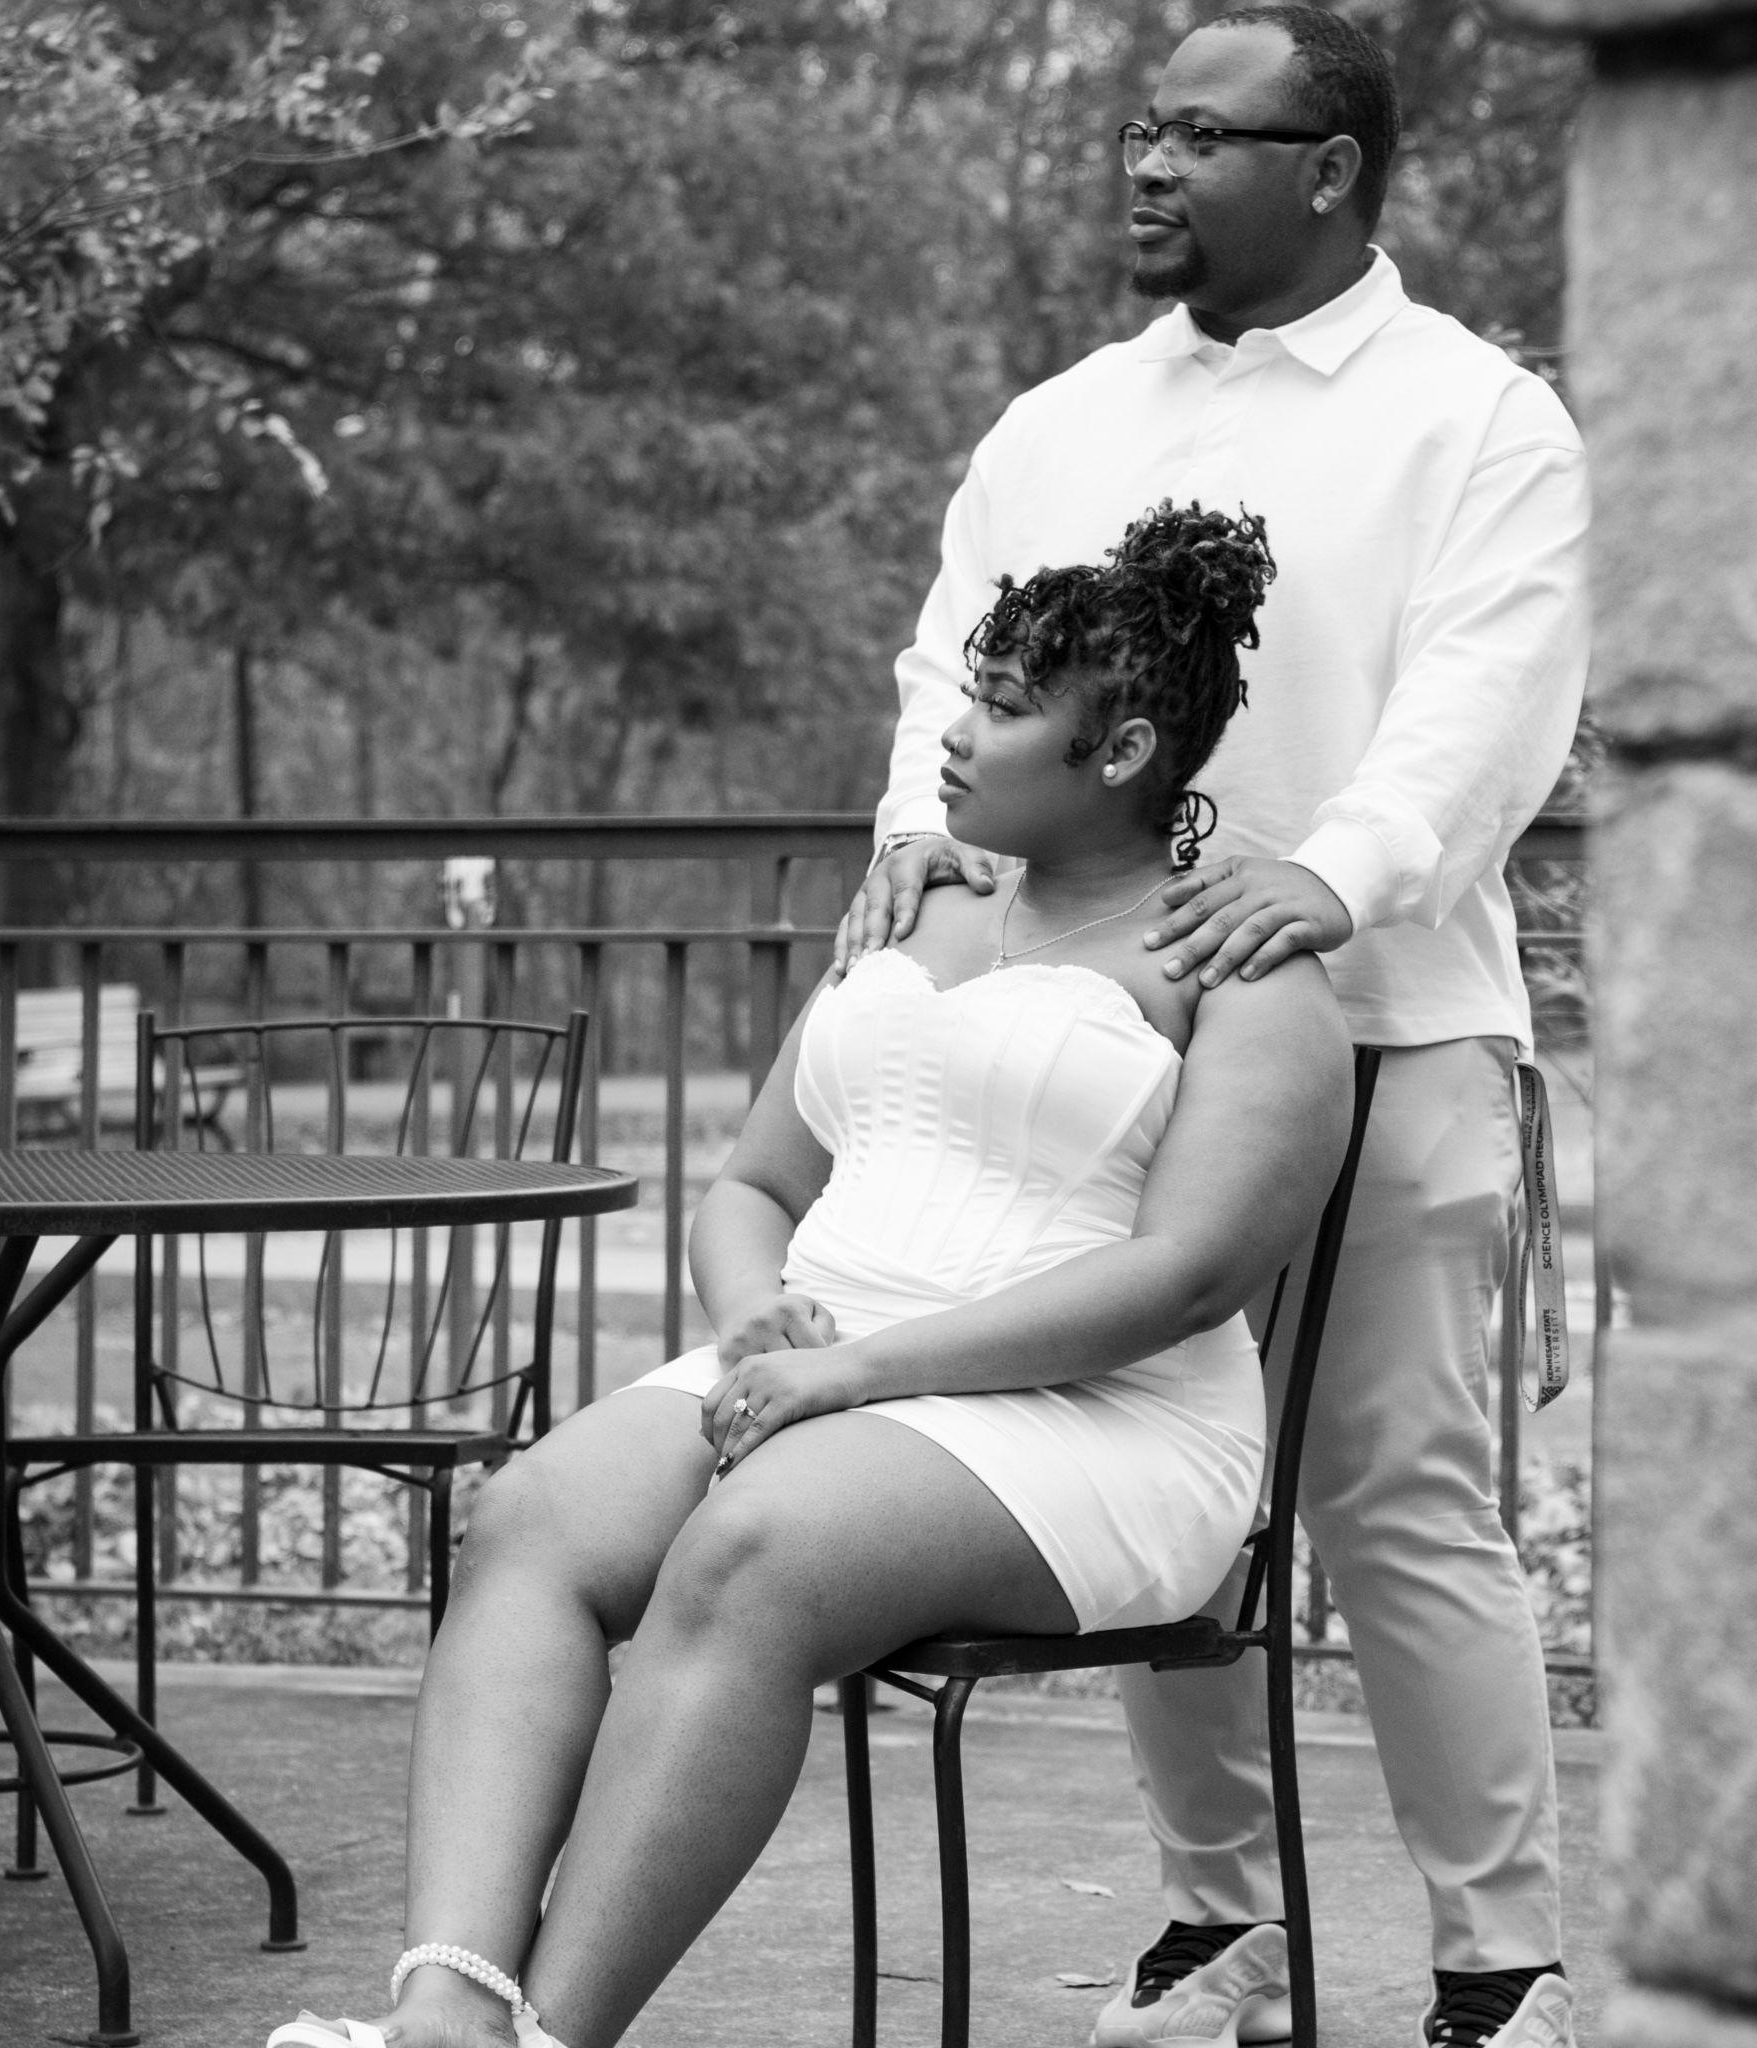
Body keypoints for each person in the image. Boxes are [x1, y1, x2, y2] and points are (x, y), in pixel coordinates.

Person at [265, 504, 1353, 2048]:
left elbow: (1182, 1280)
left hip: (1097, 1422)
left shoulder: (1239, 968)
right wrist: (754, 1318)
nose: (954, 735)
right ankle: (447, 2011)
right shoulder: (915, 904)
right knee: (526, 1519)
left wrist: (847, 1376)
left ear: (1120, 753)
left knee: (752, 1549)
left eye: (1001, 708)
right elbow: (755, 1185)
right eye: (967, 694)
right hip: (813, 1370)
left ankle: (548, 2041)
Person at [840, 11, 1590, 2048]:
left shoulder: (1476, 417)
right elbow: (953, 670)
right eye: (1140, 127)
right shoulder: (1061, 421)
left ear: (1329, 165)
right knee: (1161, 1474)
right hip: (1110, 1044)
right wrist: (915, 835)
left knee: (1398, 1494)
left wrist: (1331, 872)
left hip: (1391, 1026)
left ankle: (1503, 1967)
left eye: (1199, 132)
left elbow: (1489, 697)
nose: (1148, 163)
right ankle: (1220, 1933)